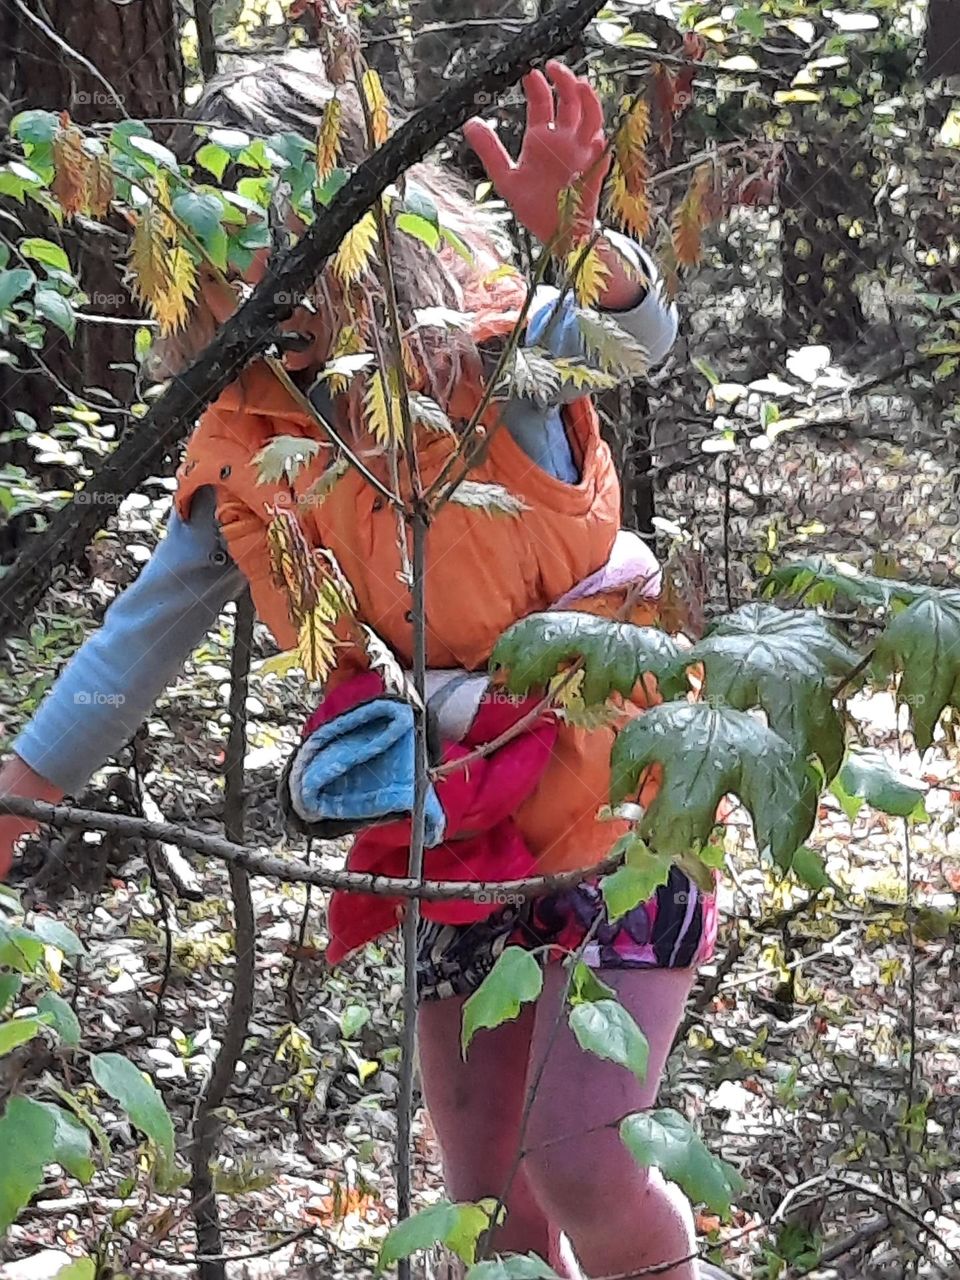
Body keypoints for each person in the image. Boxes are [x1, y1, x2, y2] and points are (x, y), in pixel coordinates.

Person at [0, 49, 721, 1280]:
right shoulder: (247, 437)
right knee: (486, 1211)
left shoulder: (489, 348)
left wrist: (589, 247)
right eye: (220, 251)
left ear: (359, 217)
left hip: (622, 803)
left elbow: (629, 341)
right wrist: (19, 795)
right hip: (451, 834)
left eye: (288, 237)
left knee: (587, 1165)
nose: (257, 286)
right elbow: (138, 636)